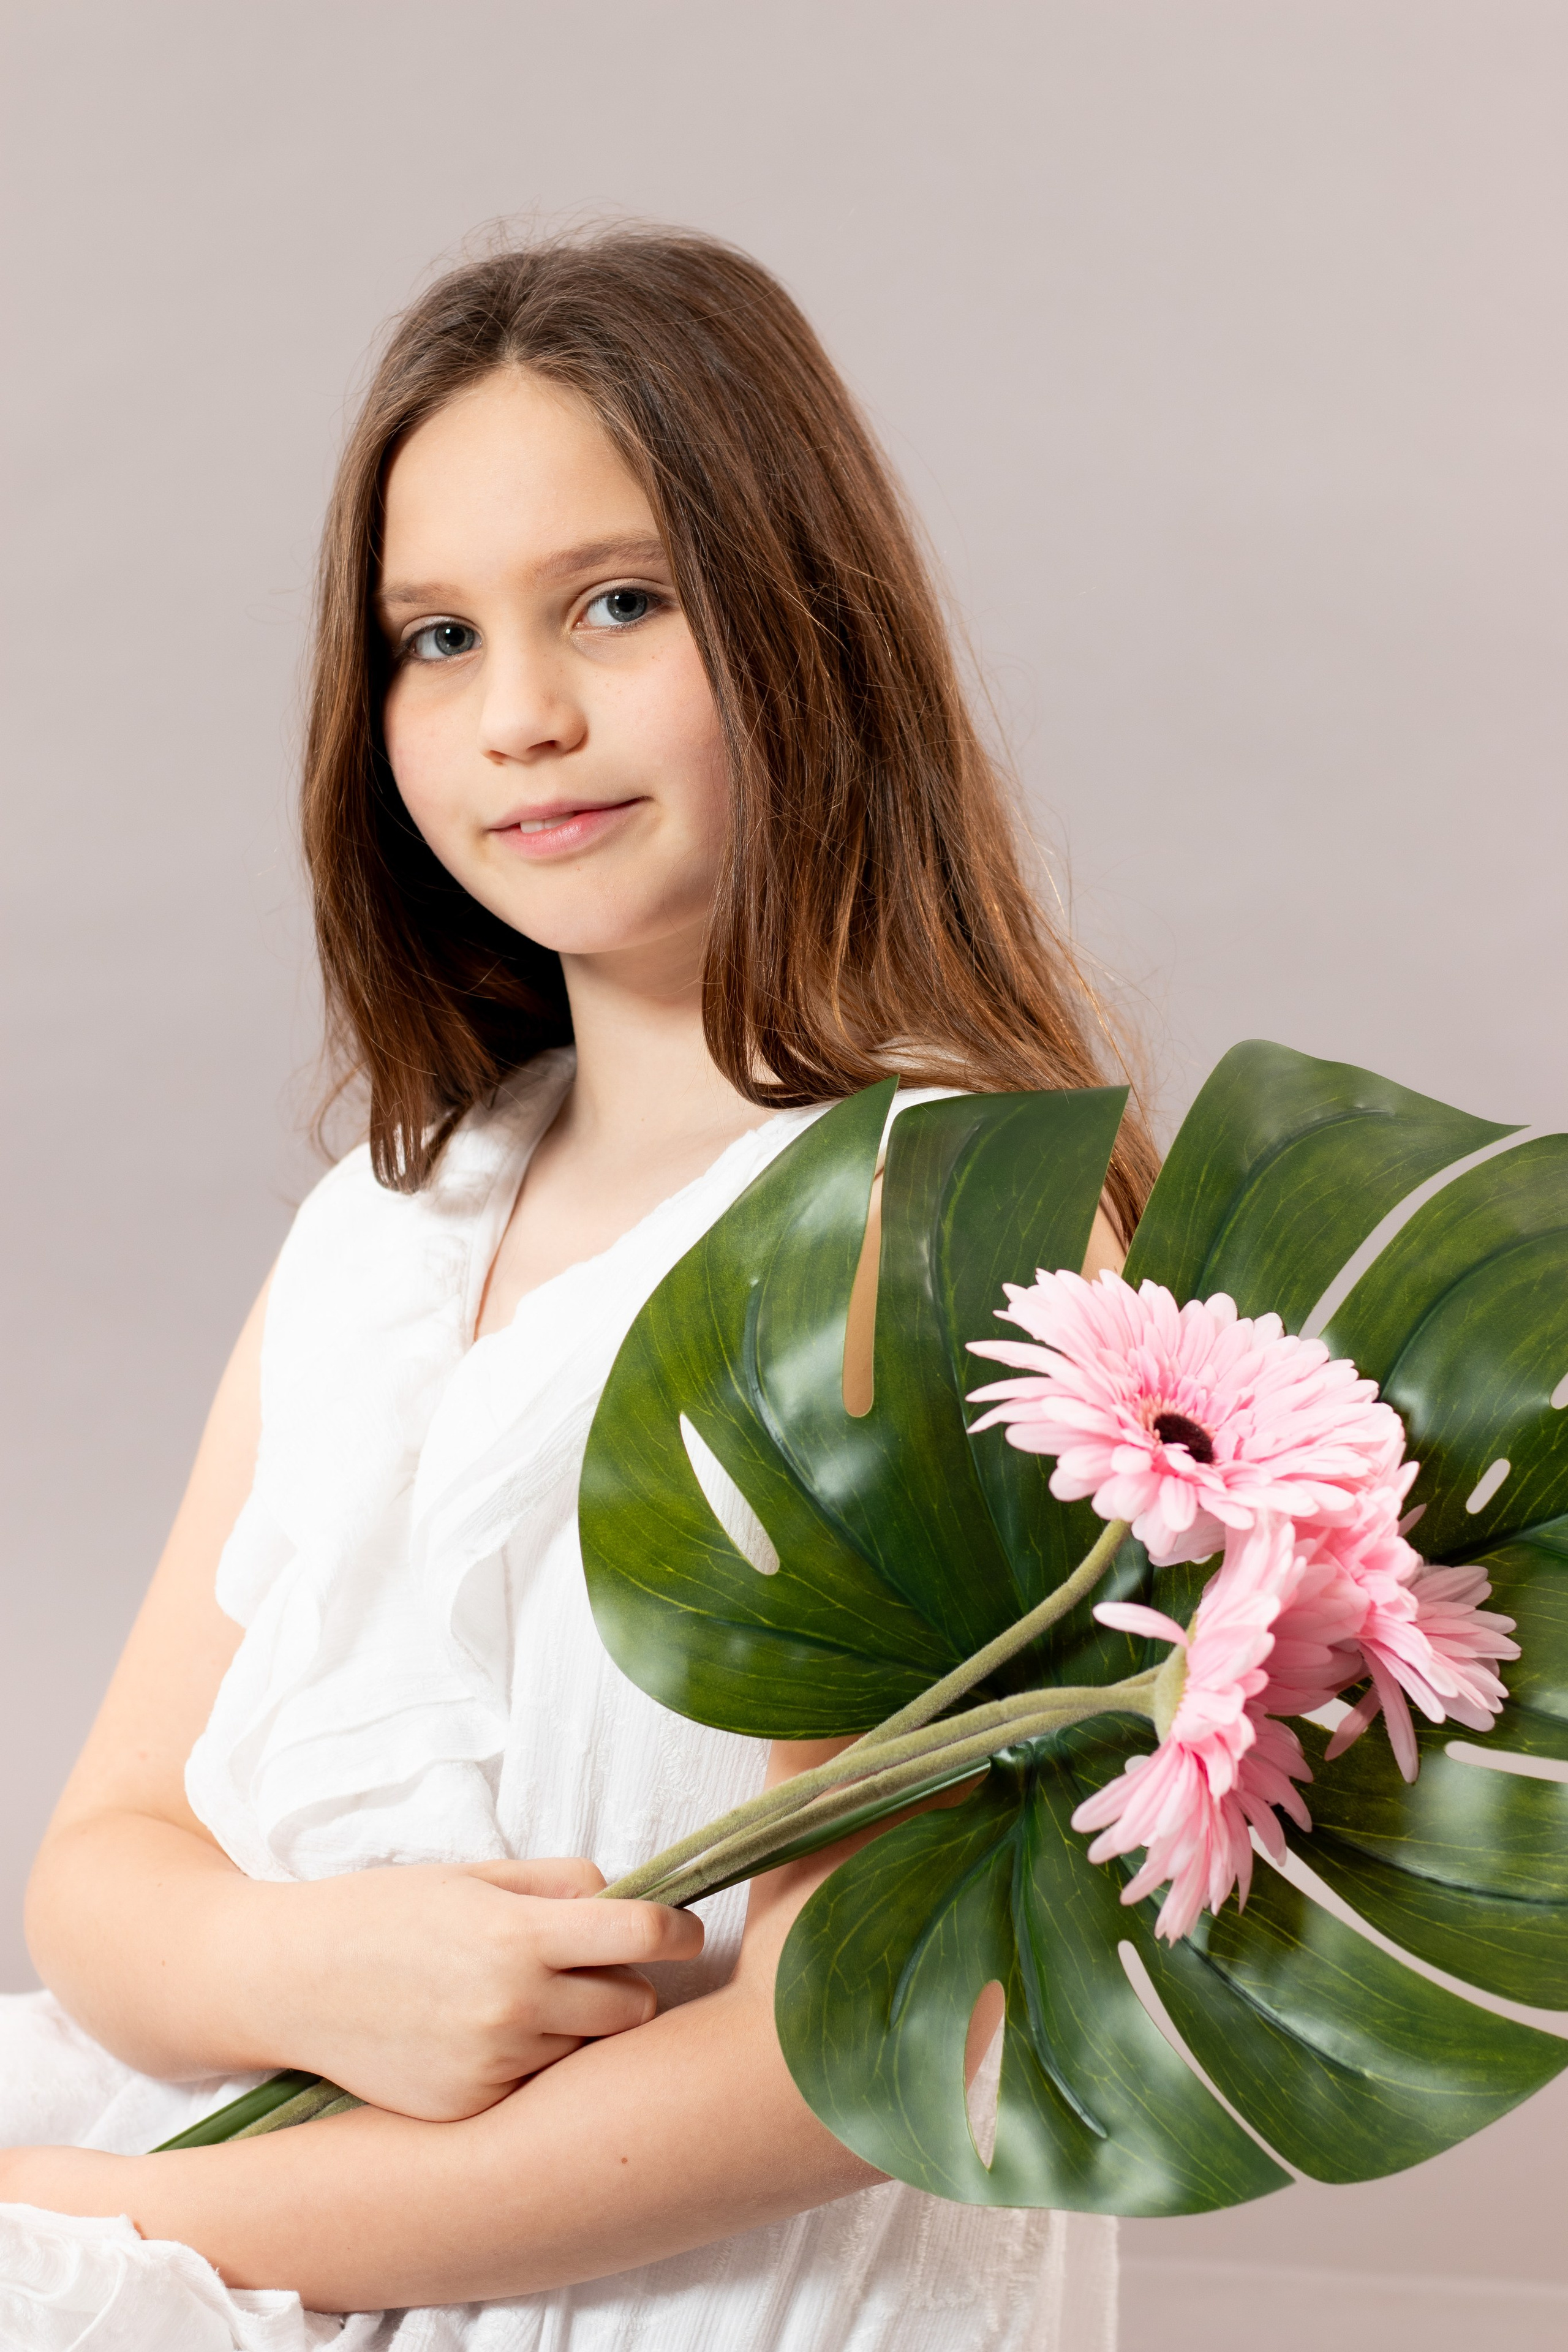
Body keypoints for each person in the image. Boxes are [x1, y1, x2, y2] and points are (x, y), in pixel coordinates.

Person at [0, 228, 1155, 2348]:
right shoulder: (393, 1224)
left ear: (804, 622)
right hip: (275, 2204)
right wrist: (308, 1973)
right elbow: (105, 1863)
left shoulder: (936, 1218)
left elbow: (854, 2035)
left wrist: (114, 2221)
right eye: (437, 636)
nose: (521, 716)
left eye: (618, 603)